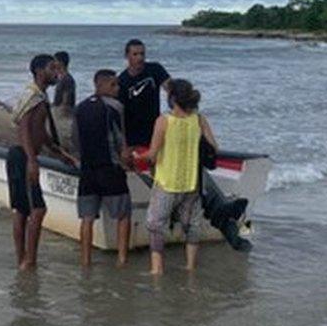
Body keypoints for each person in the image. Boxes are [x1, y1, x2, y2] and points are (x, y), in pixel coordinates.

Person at [119, 38, 251, 251]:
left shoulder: (155, 69)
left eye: (142, 53)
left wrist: (186, 116)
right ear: (127, 56)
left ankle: (227, 220)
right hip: (138, 140)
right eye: (135, 54)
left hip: (160, 132)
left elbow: (175, 92)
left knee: (193, 167)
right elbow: (121, 116)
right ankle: (225, 220)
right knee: (178, 176)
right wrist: (124, 147)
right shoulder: (122, 81)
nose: (140, 58)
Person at [6, 54, 78, 271]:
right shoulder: (33, 97)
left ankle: (24, 260)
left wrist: (59, 152)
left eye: (57, 68)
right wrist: (31, 161)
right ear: (39, 71)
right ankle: (28, 261)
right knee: (36, 210)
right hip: (22, 156)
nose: (56, 72)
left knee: (23, 210)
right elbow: (24, 129)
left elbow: (40, 132)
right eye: (51, 68)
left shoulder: (40, 97)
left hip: (23, 156)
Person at [135, 79, 211, 275]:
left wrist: (136, 156)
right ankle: (190, 266)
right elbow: (214, 147)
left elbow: (152, 154)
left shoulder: (164, 121)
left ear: (173, 99)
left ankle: (157, 268)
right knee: (192, 226)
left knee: (155, 224)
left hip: (167, 182)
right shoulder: (199, 119)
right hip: (191, 182)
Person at [73, 69, 132, 267]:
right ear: (100, 86)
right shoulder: (115, 107)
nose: (118, 88)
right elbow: (120, 141)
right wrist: (127, 161)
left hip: (87, 172)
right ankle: (122, 260)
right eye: (113, 85)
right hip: (110, 169)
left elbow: (75, 140)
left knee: (87, 219)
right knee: (123, 216)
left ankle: (85, 261)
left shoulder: (79, 108)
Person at [52, 51, 76, 116]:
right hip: (59, 109)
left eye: (55, 61)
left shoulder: (67, 79)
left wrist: (62, 113)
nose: (53, 63)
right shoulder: (61, 77)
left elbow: (66, 98)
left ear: (61, 63)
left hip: (63, 112)